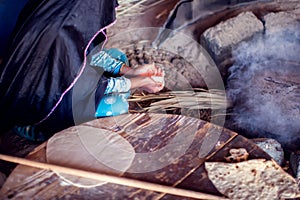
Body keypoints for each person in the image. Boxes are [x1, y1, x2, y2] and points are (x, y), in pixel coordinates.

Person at [0, 0, 164, 142]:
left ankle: (114, 93)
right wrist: (136, 82)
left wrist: (130, 71)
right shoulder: (60, 33)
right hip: (42, 106)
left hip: (68, 77)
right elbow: (78, 85)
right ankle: (41, 130)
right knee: (117, 107)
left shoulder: (75, 12)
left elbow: (88, 53)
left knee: (116, 56)